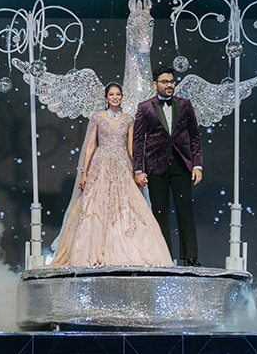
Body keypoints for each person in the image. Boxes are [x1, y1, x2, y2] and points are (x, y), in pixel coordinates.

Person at [48, 83, 173, 267]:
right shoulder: (97, 118)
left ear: (121, 97)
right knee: (97, 204)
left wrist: (138, 169)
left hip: (122, 164)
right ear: (106, 98)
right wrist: (84, 172)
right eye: (111, 94)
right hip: (101, 165)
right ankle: (93, 250)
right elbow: (90, 146)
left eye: (118, 94)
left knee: (125, 205)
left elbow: (132, 148)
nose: (115, 97)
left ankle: (123, 249)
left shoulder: (129, 119)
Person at [133, 66, 203, 266]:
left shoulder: (184, 104)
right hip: (155, 167)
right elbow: (138, 141)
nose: (169, 85)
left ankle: (190, 257)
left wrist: (197, 164)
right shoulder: (145, 107)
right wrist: (138, 169)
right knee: (160, 211)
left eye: (171, 81)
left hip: (181, 165)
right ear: (155, 84)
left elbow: (195, 136)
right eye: (165, 82)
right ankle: (164, 257)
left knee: (185, 210)